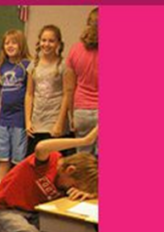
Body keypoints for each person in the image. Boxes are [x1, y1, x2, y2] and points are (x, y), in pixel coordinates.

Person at [24, 25, 71, 156]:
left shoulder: (63, 65)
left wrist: (60, 123)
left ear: (58, 44)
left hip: (54, 123)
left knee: (53, 164)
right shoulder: (33, 65)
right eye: (44, 40)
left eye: (51, 41)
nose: (47, 44)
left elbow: (67, 94)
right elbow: (29, 94)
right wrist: (28, 121)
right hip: (36, 124)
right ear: (39, 42)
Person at [0, 29, 32, 181]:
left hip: (19, 120)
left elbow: (30, 93)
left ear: (21, 44)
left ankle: (13, 187)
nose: (10, 46)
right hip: (4, 119)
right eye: (6, 43)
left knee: (18, 160)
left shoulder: (27, 65)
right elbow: (1, 94)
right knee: (3, 158)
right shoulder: (2, 67)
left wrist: (28, 120)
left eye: (14, 42)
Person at [65, 8, 99, 155]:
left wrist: (72, 115)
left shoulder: (75, 50)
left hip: (81, 111)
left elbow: (69, 89)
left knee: (83, 160)